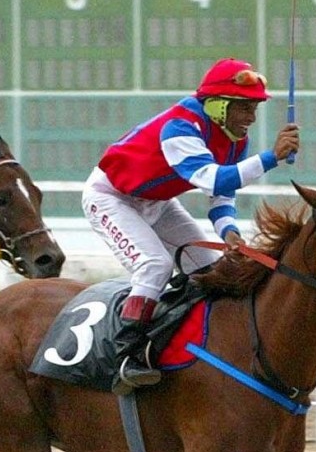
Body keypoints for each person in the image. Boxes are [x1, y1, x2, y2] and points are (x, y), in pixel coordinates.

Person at [82, 57, 300, 395]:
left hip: (156, 200)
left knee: (213, 269)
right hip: (112, 197)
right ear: (217, 106)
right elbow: (211, 178)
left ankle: (187, 342)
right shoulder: (180, 128)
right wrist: (270, 157)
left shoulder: (234, 140)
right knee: (154, 265)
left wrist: (229, 232)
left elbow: (222, 197)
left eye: (254, 109)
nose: (251, 118)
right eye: (243, 108)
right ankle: (127, 354)